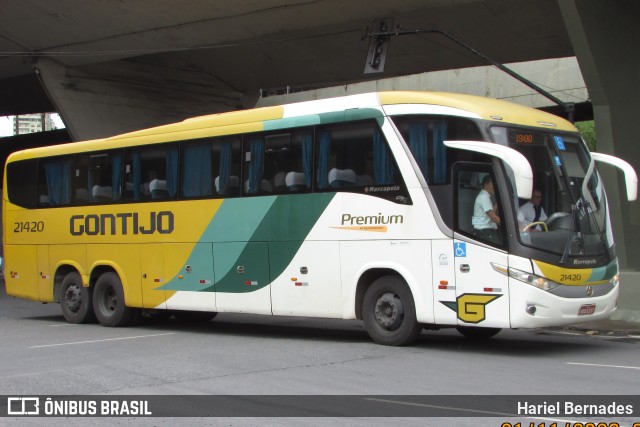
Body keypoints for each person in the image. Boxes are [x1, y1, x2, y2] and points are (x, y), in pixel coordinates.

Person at [472, 175, 501, 243]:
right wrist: (508, 226)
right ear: (486, 184)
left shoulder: (484, 196)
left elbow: (490, 214)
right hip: (486, 233)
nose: (494, 186)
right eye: (492, 183)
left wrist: (497, 204)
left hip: (484, 232)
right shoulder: (484, 197)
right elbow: (493, 218)